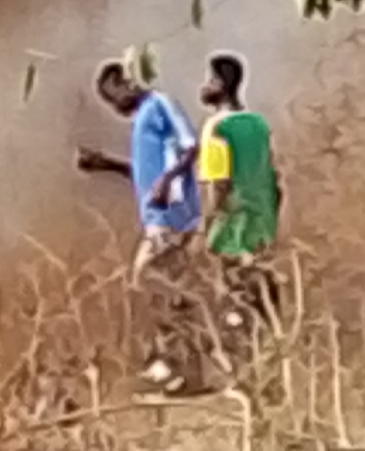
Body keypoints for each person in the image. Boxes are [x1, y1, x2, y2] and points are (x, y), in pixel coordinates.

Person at [78, 62, 201, 284]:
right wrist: (106, 164)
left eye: (114, 96)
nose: (115, 106)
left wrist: (167, 180)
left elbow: (191, 147)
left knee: (143, 280)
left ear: (128, 83)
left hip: (171, 216)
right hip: (157, 219)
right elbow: (144, 175)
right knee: (168, 286)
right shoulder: (143, 118)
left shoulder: (160, 104)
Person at [198, 53, 281, 262]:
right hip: (263, 226)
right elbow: (277, 180)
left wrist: (206, 228)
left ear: (220, 84)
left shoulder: (217, 126)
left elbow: (219, 185)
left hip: (232, 228)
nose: (204, 87)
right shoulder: (260, 124)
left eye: (209, 80)